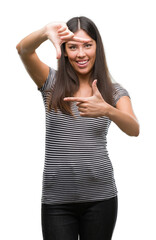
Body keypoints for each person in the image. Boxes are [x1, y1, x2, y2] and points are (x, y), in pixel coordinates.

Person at [16, 16, 139, 240]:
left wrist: (107, 110)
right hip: (57, 202)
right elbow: (23, 50)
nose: (81, 54)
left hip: (101, 199)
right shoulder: (50, 83)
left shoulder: (113, 92)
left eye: (87, 45)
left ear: (97, 48)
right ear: (64, 51)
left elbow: (134, 128)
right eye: (73, 47)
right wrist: (45, 32)